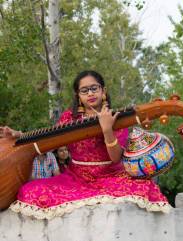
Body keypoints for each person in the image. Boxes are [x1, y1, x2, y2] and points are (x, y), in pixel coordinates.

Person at [0, 70, 170, 219]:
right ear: (78, 96)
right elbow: (49, 143)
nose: (90, 93)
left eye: (94, 88)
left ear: (103, 90)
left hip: (110, 177)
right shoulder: (69, 118)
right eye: (84, 90)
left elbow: (116, 157)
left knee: (143, 188)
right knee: (30, 191)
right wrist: (19, 135)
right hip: (76, 177)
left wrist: (107, 129)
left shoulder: (116, 118)